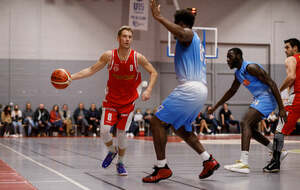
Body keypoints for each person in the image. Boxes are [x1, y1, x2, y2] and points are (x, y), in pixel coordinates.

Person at [142, 1, 220, 183]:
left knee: (156, 122)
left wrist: (159, 17)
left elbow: (182, 32)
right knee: (181, 129)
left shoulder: (189, 34)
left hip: (190, 88)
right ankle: (208, 160)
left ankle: (162, 167)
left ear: (181, 24)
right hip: (199, 90)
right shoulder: (194, 41)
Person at [71, 25, 157, 176]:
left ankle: (121, 163)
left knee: (122, 134)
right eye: (124, 36)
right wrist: (71, 77)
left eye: (129, 37)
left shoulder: (137, 57)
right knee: (104, 130)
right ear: (118, 38)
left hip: (128, 103)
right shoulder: (109, 56)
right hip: (111, 101)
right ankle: (112, 151)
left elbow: (153, 72)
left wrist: (149, 89)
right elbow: (91, 69)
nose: (127, 39)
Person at [208, 48, 287, 174]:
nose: (227, 60)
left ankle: (244, 163)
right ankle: (277, 152)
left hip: (267, 97)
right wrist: (216, 106)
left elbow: (272, 83)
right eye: (227, 57)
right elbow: (231, 91)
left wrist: (281, 108)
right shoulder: (238, 74)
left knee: (245, 122)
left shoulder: (251, 68)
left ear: (238, 56)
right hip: (259, 98)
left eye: (230, 57)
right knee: (251, 130)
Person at [264, 38, 300, 172]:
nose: (285, 51)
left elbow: (291, 77)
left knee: (279, 129)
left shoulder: (292, 59)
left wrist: (278, 90)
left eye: (287, 47)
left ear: (295, 48)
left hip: (297, 96)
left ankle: (276, 162)